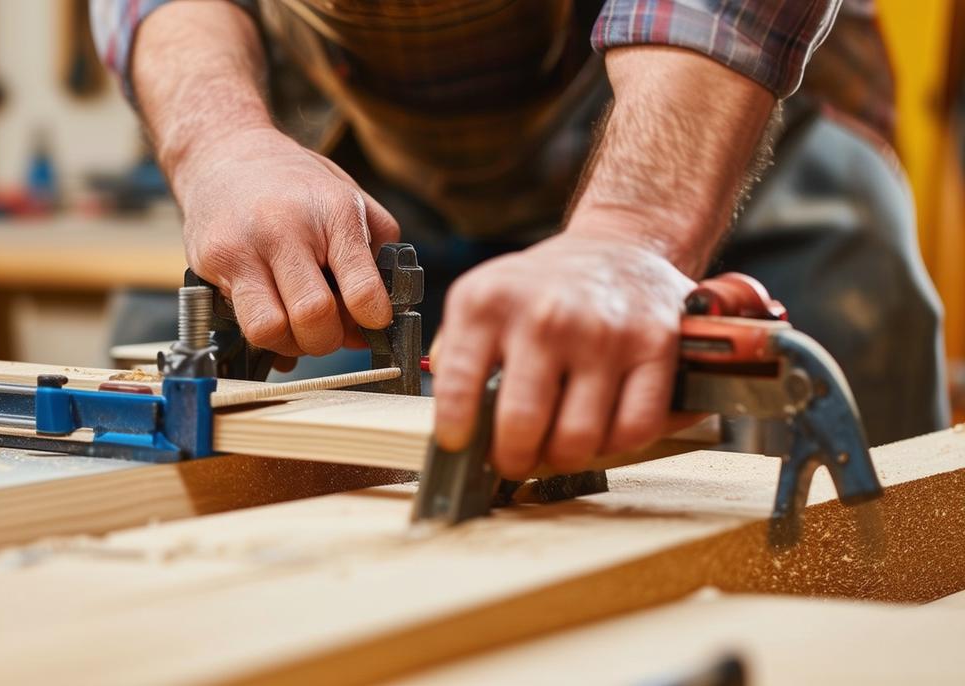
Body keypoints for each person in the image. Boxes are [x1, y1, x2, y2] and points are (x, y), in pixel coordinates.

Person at [92, 0, 948, 479]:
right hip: (363, 155)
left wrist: (632, 237)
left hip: (706, 111)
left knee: (860, 308)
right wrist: (223, 143)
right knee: (222, 449)